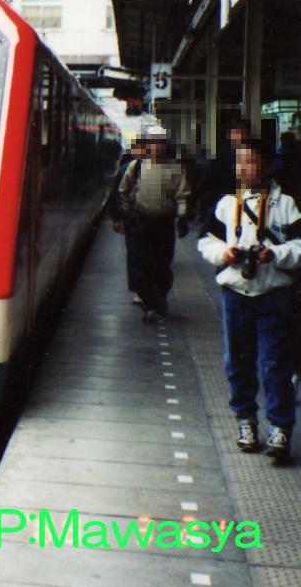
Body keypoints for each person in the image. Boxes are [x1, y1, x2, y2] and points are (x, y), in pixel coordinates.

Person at [197, 142, 301, 460]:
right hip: (236, 294)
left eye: (251, 162)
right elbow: (206, 240)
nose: (243, 168)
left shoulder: (287, 205)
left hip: (274, 294)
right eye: (239, 162)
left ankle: (280, 428)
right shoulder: (227, 204)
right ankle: (246, 422)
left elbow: (299, 244)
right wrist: (223, 253)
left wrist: (276, 254)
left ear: (268, 166)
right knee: (237, 362)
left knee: (275, 363)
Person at [118, 125, 191, 322]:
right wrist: (127, 213)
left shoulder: (175, 169)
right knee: (143, 264)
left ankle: (159, 299)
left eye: (161, 143)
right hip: (141, 222)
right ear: (148, 145)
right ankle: (150, 304)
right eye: (153, 143)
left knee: (162, 264)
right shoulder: (137, 166)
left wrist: (182, 217)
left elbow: (182, 196)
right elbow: (123, 190)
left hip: (164, 223)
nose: (157, 147)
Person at [110, 137, 147, 304]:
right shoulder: (127, 169)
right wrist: (118, 218)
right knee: (134, 254)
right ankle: (139, 289)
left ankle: (145, 289)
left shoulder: (160, 169)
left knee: (143, 255)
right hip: (134, 219)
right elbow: (117, 194)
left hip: (150, 218)